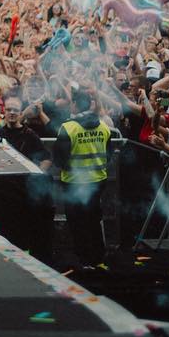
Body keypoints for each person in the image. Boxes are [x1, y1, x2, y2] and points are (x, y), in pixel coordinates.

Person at [52, 89, 112, 268]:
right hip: (98, 181)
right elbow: (108, 155)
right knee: (94, 220)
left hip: (74, 183)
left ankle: (84, 260)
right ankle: (99, 258)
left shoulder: (68, 128)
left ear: (75, 105)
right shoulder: (103, 126)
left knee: (78, 223)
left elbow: (58, 159)